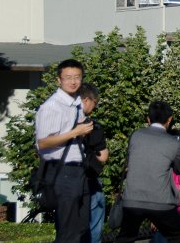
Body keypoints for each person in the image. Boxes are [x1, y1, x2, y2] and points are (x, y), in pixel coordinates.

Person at [34, 58, 94, 243]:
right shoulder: (52, 107)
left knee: (82, 226)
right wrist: (75, 132)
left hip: (79, 170)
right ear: (59, 80)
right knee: (69, 230)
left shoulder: (76, 103)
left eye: (77, 77)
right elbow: (42, 143)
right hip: (63, 172)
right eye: (68, 77)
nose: (73, 81)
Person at [116, 101, 180, 243]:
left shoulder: (136, 135)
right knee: (178, 237)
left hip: (132, 200)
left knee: (125, 238)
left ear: (148, 119)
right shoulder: (173, 143)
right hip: (161, 201)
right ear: (169, 119)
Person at [79, 83, 109, 243]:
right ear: (86, 100)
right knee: (93, 229)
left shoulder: (62, 122)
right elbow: (103, 156)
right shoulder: (93, 126)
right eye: (95, 102)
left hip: (67, 183)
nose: (95, 106)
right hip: (90, 181)